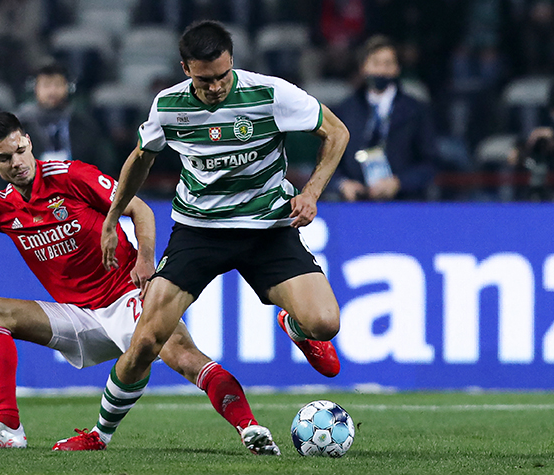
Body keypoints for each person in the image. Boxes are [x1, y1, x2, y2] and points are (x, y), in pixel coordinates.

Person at [0, 111, 280, 455]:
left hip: (125, 300)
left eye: (20, 150)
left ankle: (250, 428)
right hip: (76, 316)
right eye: (4, 158)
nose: (17, 162)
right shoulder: (0, 208)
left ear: (28, 141)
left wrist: (145, 259)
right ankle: (6, 430)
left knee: (184, 355)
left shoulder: (71, 176)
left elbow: (139, 209)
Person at [55, 20, 349, 451]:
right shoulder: (169, 105)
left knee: (325, 323)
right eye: (204, 79)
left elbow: (336, 132)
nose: (215, 87)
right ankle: (99, 434)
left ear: (233, 62)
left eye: (222, 76)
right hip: (199, 232)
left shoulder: (271, 93)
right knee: (146, 342)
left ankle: (297, 328)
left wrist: (311, 191)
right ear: (185, 68)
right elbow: (140, 159)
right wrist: (111, 217)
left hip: (266, 228)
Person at [331, 35, 437, 202]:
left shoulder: (415, 111)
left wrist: (399, 183)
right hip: (354, 207)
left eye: (387, 64)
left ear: (397, 68)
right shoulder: (345, 110)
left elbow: (429, 164)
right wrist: (342, 184)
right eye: (375, 63)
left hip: (403, 204)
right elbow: (327, 160)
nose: (381, 70)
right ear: (363, 67)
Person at [15, 63, 115, 174]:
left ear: (69, 87)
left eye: (58, 85)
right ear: (35, 88)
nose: (52, 91)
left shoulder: (84, 123)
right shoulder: (21, 125)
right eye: (46, 85)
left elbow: (100, 160)